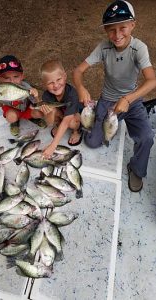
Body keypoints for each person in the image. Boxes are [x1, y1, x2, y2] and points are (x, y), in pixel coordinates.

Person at [73, 0, 156, 192]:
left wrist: (128, 99)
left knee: (147, 137)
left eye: (123, 28)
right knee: (92, 142)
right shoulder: (103, 47)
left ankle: (136, 169)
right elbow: (78, 71)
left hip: (132, 102)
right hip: (108, 101)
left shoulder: (139, 48)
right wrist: (80, 88)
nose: (117, 35)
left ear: (133, 25)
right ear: (105, 31)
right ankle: (107, 124)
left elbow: (152, 80)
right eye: (111, 29)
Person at [0, 55, 46, 136]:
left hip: (27, 109)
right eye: (7, 78)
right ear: (0, 79)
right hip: (13, 112)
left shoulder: (26, 87)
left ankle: (32, 118)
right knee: (11, 116)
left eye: (16, 76)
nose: (12, 81)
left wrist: (35, 96)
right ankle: (15, 122)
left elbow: (36, 103)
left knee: (40, 113)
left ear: (22, 76)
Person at [41, 59, 83, 159]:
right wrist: (48, 114)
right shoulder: (46, 96)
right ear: (44, 84)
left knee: (73, 122)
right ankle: (58, 125)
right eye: (50, 83)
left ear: (65, 76)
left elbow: (67, 121)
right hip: (61, 114)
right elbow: (49, 122)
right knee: (52, 110)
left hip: (73, 115)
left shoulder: (72, 94)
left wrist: (53, 146)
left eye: (58, 79)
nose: (55, 85)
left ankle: (76, 131)